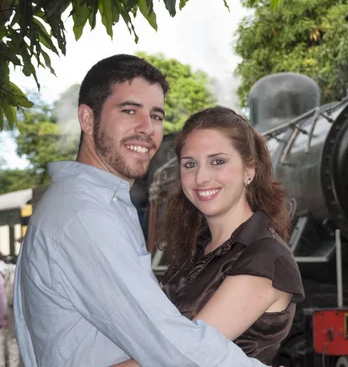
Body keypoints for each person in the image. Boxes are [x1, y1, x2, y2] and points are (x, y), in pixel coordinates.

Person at [14, 55, 268, 367]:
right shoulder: (85, 217)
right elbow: (169, 346)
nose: (147, 128)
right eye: (130, 111)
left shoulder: (96, 205)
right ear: (87, 119)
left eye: (157, 116)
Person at [116, 106, 305, 367]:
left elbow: (180, 358)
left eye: (218, 161)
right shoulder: (196, 251)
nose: (201, 177)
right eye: (190, 164)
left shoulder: (264, 258)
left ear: (249, 170)